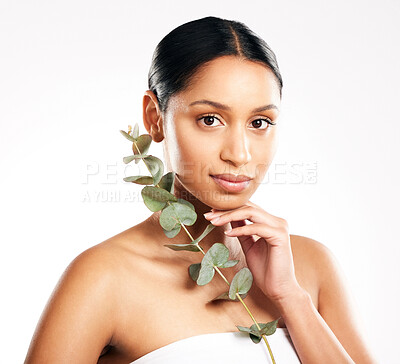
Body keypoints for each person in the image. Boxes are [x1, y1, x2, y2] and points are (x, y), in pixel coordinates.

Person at [24, 16, 377, 363]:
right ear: (154, 117)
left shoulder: (312, 268)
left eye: (260, 123)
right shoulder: (102, 279)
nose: (239, 154)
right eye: (210, 119)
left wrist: (291, 298)